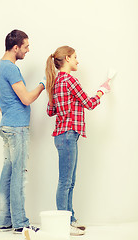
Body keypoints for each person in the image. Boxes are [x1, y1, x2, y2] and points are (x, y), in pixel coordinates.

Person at [45, 46, 112, 236]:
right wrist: (101, 91)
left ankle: (70, 219)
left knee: (69, 181)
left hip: (63, 135)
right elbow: (89, 104)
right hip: (68, 135)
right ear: (67, 58)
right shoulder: (70, 80)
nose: (77, 61)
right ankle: (63, 223)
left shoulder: (55, 82)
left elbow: (51, 111)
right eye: (75, 57)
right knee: (66, 181)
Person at [0, 29, 45, 234]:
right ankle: (21, 223)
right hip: (17, 128)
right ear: (15, 47)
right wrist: (43, 85)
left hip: (7, 125)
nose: (28, 50)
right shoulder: (11, 69)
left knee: (7, 174)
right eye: (25, 46)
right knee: (18, 176)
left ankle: (5, 221)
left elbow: (2, 103)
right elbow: (26, 98)